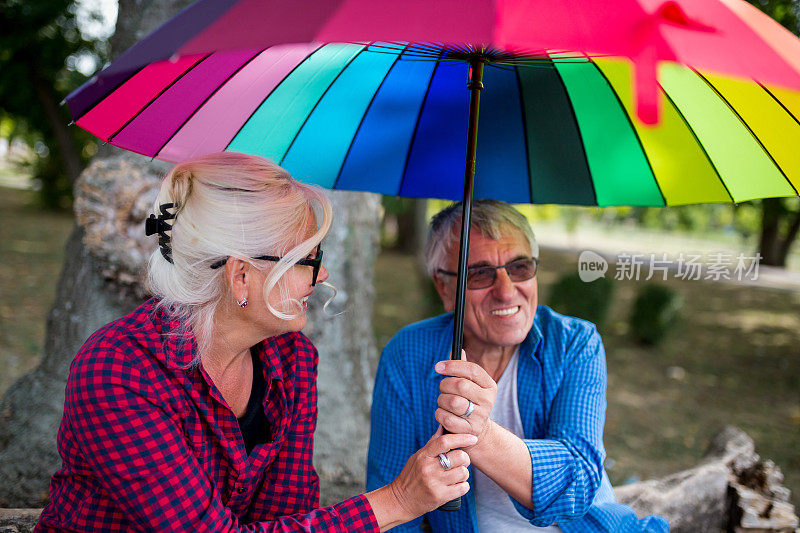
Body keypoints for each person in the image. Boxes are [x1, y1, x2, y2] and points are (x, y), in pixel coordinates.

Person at [35, 153, 477, 532]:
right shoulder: (119, 370)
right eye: (309, 259)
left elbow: (286, 516)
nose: (322, 276)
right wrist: (396, 501)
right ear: (241, 275)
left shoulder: (292, 359)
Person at [366, 200, 669, 532]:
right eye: (480, 274)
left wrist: (478, 433)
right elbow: (394, 508)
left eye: (520, 267)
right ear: (444, 286)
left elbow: (579, 482)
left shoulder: (574, 344)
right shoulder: (408, 354)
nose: (507, 291)